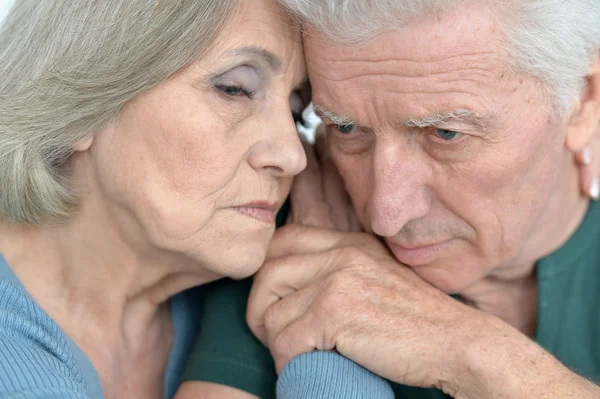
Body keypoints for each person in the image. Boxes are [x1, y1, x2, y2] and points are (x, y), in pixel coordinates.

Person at [177, 0, 600, 398]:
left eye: (446, 134)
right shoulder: (294, 235)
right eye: (345, 129)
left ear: (582, 102)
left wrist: (470, 352)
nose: (386, 215)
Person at [0, 0, 309, 398]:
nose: (294, 155)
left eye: (298, 111)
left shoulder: (222, 292)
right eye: (236, 89)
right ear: (80, 107)